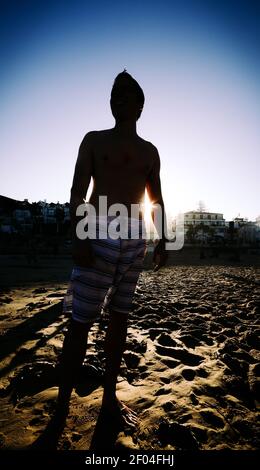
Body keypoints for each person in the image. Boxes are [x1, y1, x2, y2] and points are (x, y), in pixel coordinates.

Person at [55, 70, 168, 427]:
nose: (117, 98)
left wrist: (163, 238)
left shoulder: (150, 151)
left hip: (136, 237)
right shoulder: (94, 140)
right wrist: (80, 236)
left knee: (120, 317)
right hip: (99, 231)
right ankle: (60, 406)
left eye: (125, 94)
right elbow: (77, 192)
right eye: (113, 94)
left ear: (140, 106)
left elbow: (156, 198)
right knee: (80, 323)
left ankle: (109, 398)